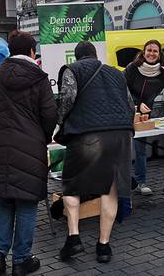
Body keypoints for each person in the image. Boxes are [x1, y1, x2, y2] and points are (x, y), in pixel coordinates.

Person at [0, 31, 57, 276]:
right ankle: (21, 260)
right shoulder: (39, 78)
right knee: (27, 203)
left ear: (10, 51)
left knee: (4, 200)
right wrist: (44, 134)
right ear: (32, 52)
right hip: (29, 147)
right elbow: (50, 113)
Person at [56, 41, 134, 264]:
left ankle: (73, 238)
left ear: (77, 57)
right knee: (110, 190)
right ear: (95, 55)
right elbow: (130, 104)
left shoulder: (72, 70)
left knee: (72, 184)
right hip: (119, 135)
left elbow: (67, 100)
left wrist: (60, 124)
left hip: (86, 134)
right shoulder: (116, 73)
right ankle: (103, 246)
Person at [124, 40, 164, 196]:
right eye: (149, 50)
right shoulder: (133, 68)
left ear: (159, 54)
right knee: (121, 148)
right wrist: (136, 104)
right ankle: (121, 183)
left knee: (140, 148)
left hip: (144, 115)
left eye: (155, 51)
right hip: (126, 111)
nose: (151, 53)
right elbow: (121, 89)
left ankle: (140, 182)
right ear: (143, 52)